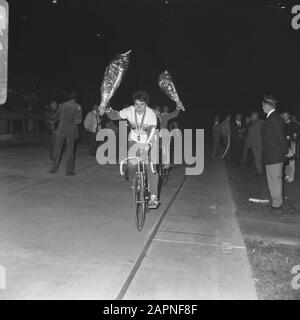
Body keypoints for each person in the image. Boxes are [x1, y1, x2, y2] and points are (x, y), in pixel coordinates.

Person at [101, 91, 160, 209]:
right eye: (136, 104)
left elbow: (152, 132)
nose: (138, 107)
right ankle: (136, 181)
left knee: (151, 166)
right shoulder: (129, 110)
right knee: (132, 164)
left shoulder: (150, 114)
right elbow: (115, 115)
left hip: (149, 140)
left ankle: (153, 196)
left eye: (142, 105)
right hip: (133, 140)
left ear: (146, 104)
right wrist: (106, 107)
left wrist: (147, 147)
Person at [261, 95, 288, 212]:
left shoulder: (273, 118)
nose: (262, 107)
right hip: (272, 155)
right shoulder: (272, 118)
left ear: (268, 105)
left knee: (275, 181)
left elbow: (280, 137)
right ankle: (276, 202)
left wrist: (285, 152)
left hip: (274, 155)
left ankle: (277, 205)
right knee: (273, 181)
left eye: (263, 105)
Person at [50, 91, 82, 176]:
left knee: (57, 149)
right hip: (71, 131)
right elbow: (78, 121)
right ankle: (68, 171)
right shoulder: (78, 107)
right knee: (70, 151)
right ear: (75, 98)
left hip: (61, 130)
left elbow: (55, 118)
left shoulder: (61, 105)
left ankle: (53, 169)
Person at [155, 104, 183, 168]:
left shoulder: (164, 116)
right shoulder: (149, 117)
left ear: (159, 112)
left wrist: (178, 108)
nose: (155, 113)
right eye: (153, 112)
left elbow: (174, 114)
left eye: (156, 112)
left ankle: (166, 162)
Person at [281, 111, 300, 182]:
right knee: (285, 161)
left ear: (289, 115)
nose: (284, 117)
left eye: (286, 115)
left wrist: (292, 137)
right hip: (284, 145)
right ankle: (287, 174)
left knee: (291, 160)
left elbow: (297, 134)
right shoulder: (282, 124)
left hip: (291, 144)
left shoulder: (294, 124)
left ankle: (291, 177)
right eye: (283, 115)